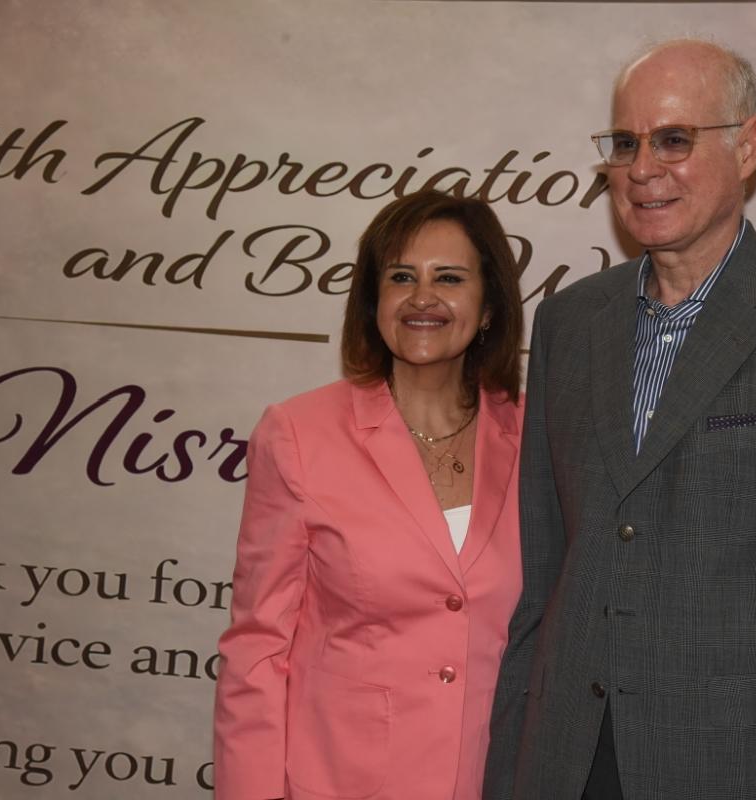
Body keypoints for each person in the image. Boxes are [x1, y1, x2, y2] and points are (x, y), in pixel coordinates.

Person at [483, 39, 756, 800]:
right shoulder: (568, 324)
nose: (642, 168)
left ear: (746, 147)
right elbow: (545, 584)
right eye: (626, 143)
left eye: (673, 139)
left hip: (744, 772)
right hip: (568, 765)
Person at [214, 189, 525, 800]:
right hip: (337, 782)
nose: (422, 297)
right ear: (373, 302)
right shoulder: (298, 434)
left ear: (489, 306)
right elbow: (258, 646)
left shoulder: (538, 437)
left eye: (449, 278)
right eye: (401, 277)